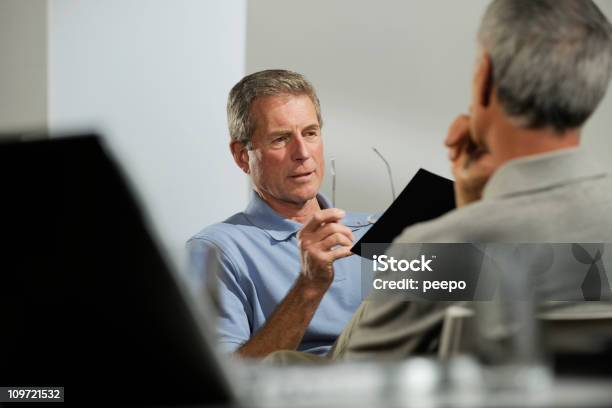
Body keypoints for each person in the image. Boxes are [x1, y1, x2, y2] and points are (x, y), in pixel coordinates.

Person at [326, 0, 612, 360]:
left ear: (484, 78)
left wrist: (466, 216)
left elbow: (347, 386)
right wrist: (474, 205)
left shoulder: (434, 249)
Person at [187, 70, 373, 358]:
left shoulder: (377, 228)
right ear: (242, 156)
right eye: (280, 139)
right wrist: (309, 286)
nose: (302, 153)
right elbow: (228, 378)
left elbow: (456, 316)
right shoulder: (217, 249)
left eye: (310, 133)